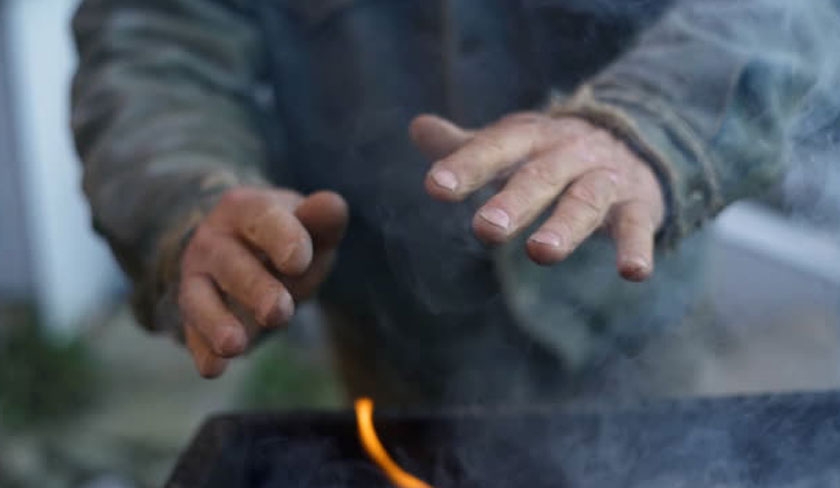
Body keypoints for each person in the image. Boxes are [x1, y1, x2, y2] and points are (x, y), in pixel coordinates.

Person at [70, 0, 839, 406]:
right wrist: (185, 193)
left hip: (628, 311)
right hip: (388, 317)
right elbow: (154, 34)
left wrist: (657, 121)